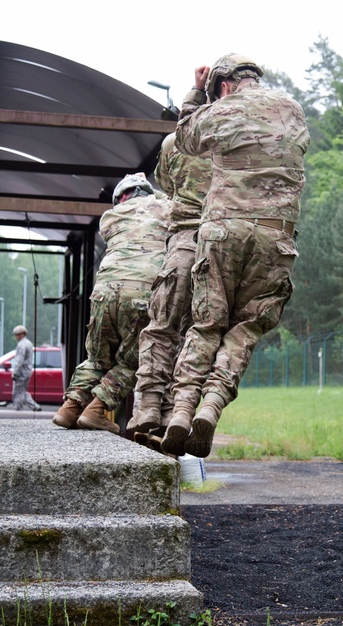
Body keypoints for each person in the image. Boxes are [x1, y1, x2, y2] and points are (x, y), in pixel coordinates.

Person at [161, 53, 310, 458]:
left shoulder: (223, 107)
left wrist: (196, 95)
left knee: (207, 325)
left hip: (223, 230)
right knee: (245, 329)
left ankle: (179, 413)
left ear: (224, 86)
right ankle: (210, 406)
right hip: (274, 238)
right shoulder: (293, 110)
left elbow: (186, 140)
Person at [51, 173, 171, 433]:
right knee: (134, 360)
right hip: (142, 294)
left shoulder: (109, 217)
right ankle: (96, 410)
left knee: (97, 358)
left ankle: (69, 408)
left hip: (104, 294)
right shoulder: (165, 208)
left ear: (121, 198)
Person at [127, 133, 212, 436]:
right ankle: (177, 411)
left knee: (161, 328)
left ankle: (150, 404)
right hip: (217, 247)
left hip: (184, 244)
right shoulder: (233, 138)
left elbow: (165, 183)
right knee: (198, 334)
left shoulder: (173, 142)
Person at [10, 325, 41, 412]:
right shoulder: (29, 343)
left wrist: (15, 372)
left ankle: (18, 408)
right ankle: (34, 406)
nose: (16, 337)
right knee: (22, 391)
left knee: (17, 392)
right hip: (27, 371)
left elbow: (19, 360)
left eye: (17, 334)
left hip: (21, 372)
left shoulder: (22, 345)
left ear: (22, 334)